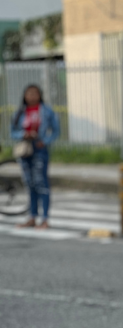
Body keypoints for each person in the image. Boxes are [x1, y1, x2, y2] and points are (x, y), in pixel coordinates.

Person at [10, 84, 60, 229]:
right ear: (24, 96)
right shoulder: (20, 112)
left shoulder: (46, 111)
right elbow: (12, 132)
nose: (32, 96)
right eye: (29, 93)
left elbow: (56, 131)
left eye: (35, 93)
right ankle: (32, 216)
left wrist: (45, 141)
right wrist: (22, 134)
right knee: (29, 184)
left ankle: (45, 218)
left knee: (42, 184)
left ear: (40, 95)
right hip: (25, 150)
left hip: (39, 150)